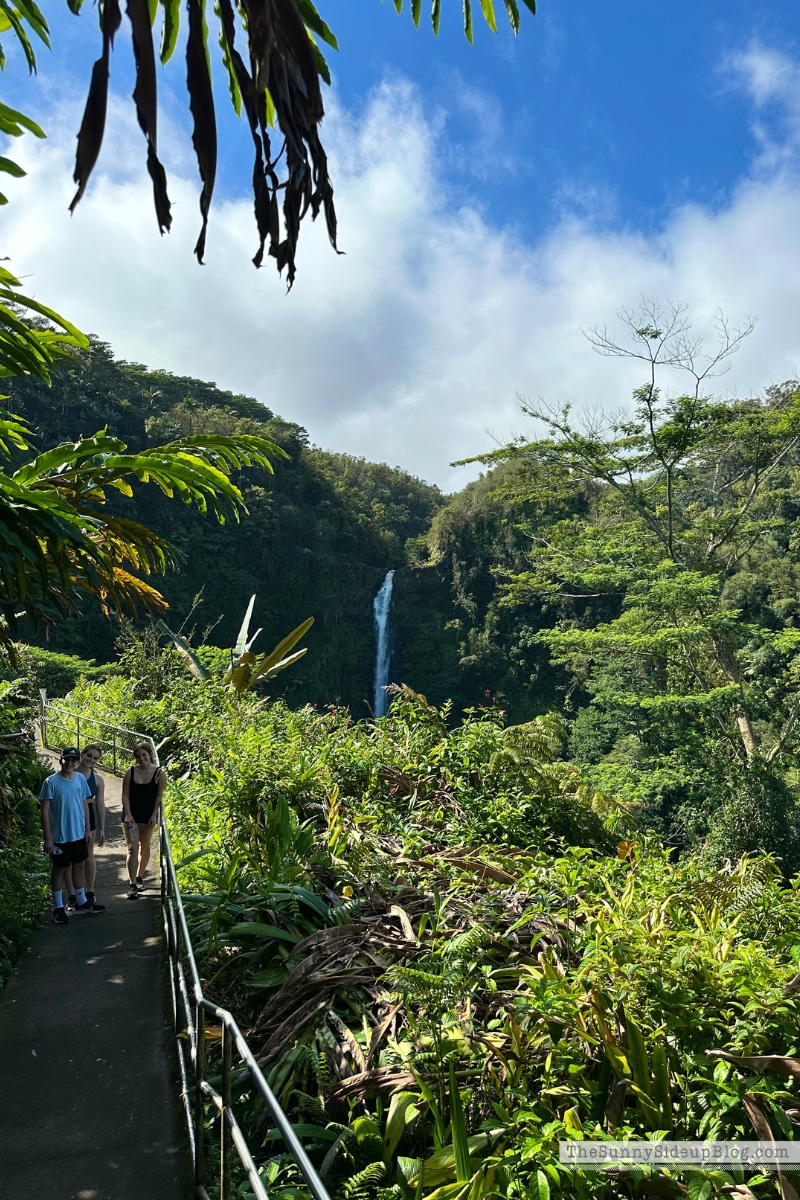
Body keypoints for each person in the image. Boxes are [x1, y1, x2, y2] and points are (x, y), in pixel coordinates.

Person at [38, 748, 106, 923]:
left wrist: (87, 830)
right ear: (61, 760)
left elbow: (84, 804)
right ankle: (58, 907)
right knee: (59, 869)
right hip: (59, 836)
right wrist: (48, 837)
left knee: (79, 865)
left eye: (73, 760)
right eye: (67, 759)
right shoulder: (51, 782)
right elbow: (44, 811)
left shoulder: (80, 779)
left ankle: (82, 901)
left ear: (78, 761)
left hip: (78, 833)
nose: (70, 763)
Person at [121, 742, 165, 900]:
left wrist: (154, 814)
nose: (141, 759)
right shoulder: (130, 772)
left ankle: (139, 877)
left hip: (147, 816)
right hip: (130, 816)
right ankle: (132, 884)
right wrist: (128, 814)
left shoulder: (159, 773)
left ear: (150, 755)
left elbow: (159, 796)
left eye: (144, 755)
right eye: (138, 756)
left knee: (144, 846)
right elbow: (125, 795)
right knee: (132, 848)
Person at [74, 744, 106, 910]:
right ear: (82, 754)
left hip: (89, 818)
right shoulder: (70, 772)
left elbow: (100, 804)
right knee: (72, 857)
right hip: (71, 816)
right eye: (89, 755)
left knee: (88, 855)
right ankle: (73, 894)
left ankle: (90, 891)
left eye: (95, 758)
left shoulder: (97, 779)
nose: (91, 760)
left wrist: (102, 828)